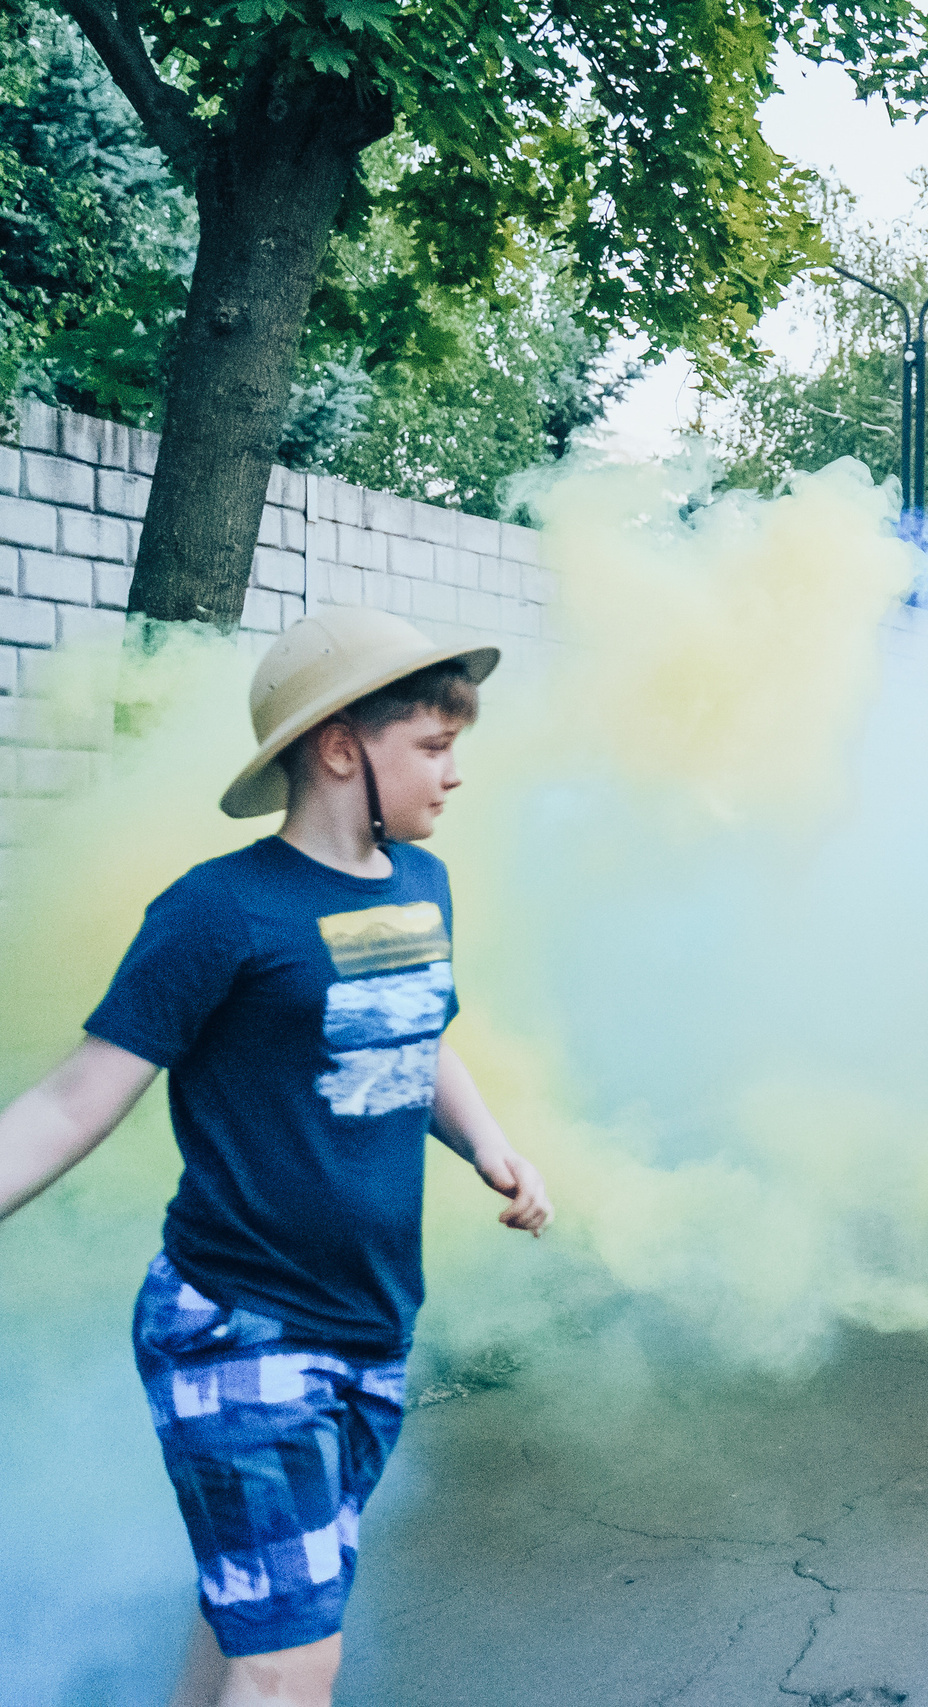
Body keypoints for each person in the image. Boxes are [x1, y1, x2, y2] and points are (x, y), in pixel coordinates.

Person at [0, 608, 553, 1706]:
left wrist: (489, 1142)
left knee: (254, 1617)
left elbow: (413, 1031)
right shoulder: (220, 911)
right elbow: (73, 1100)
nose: (454, 776)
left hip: (370, 1323)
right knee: (294, 1665)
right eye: (433, 748)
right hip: (240, 1325)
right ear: (342, 747)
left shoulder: (420, 889)